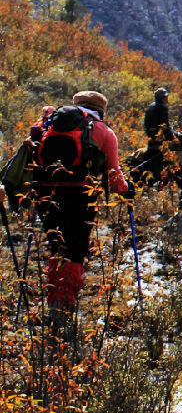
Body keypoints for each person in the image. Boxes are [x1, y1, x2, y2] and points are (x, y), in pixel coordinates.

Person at [31, 91, 132, 329]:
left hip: (45, 193)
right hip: (80, 195)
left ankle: (54, 301)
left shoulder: (47, 124)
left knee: (56, 245)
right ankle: (64, 308)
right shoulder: (103, 131)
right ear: (101, 110)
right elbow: (114, 175)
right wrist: (127, 189)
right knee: (75, 249)